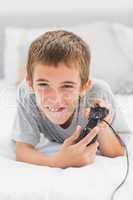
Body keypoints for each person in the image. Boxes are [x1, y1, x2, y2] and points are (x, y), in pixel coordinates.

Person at [11, 30, 131, 168]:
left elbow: (118, 152)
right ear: (31, 84)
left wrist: (101, 126)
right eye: (44, 84)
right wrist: (57, 162)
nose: (55, 98)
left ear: (83, 87)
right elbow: (22, 151)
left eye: (67, 86)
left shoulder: (98, 93)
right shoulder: (26, 94)